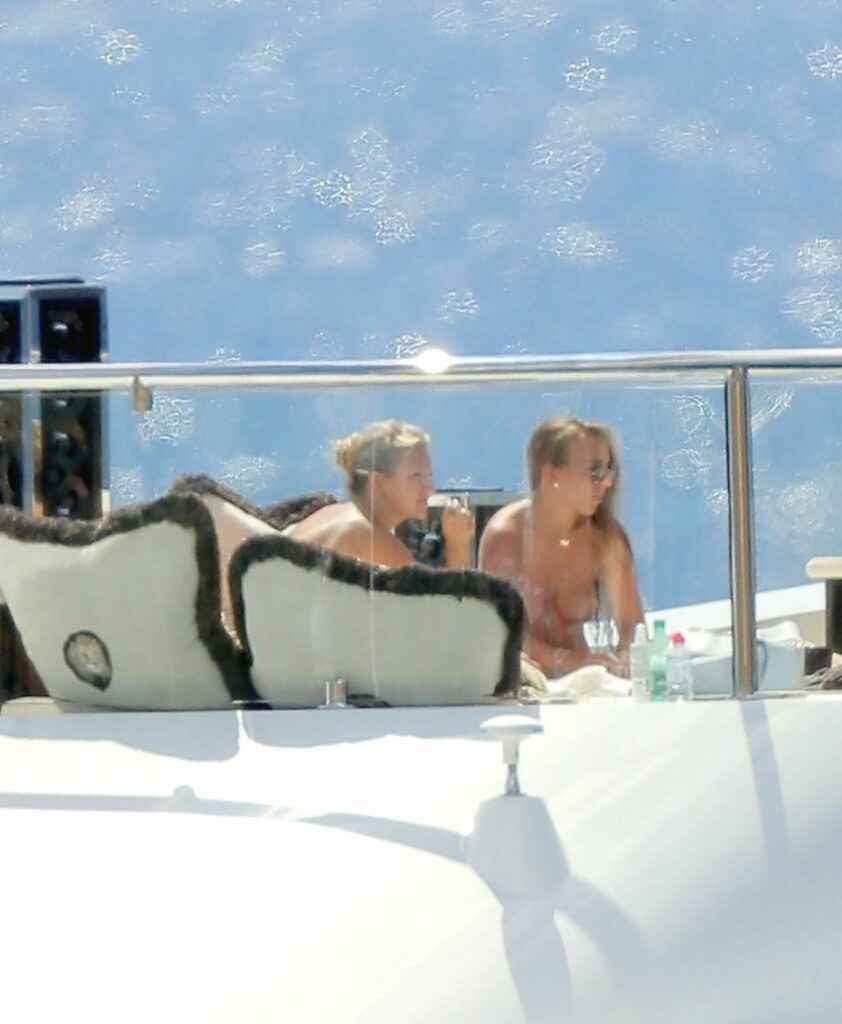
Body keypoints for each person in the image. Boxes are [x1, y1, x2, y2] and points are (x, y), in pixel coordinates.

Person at [479, 416, 643, 678]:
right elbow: (497, 629)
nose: (608, 482)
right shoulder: (506, 537)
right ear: (552, 473)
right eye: (596, 471)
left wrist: (625, 660)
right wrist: (572, 662)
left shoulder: (605, 537)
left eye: (609, 470)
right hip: (523, 686)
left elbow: (632, 627)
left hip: (584, 685)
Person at [283, 419, 475, 568]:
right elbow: (444, 605)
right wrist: (458, 544)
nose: (430, 489)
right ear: (377, 482)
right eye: (416, 476)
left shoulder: (333, 513)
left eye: (429, 476)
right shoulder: (366, 534)